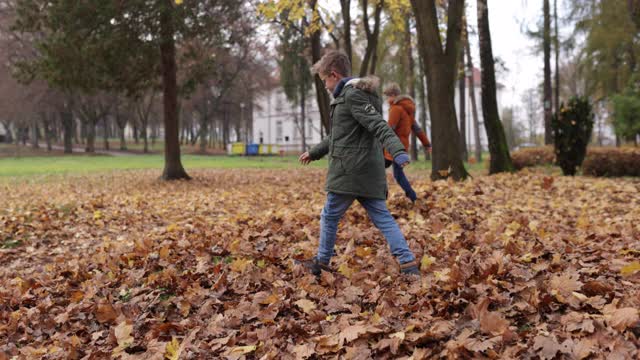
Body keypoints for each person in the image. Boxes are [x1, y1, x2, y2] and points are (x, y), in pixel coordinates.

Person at [298, 50, 420, 277]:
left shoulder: (352, 96)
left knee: (329, 215)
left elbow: (379, 125)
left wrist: (398, 151)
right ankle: (408, 263)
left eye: (325, 80)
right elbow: (338, 136)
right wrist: (314, 153)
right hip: (368, 171)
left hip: (349, 171)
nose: (325, 86)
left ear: (334, 75)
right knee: (383, 218)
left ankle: (322, 263)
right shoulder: (360, 97)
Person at [382, 83, 432, 203]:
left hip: (392, 147)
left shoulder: (396, 109)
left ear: (393, 95)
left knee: (376, 168)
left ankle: (381, 196)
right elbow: (417, 129)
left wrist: (380, 142)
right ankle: (413, 197)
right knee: (398, 174)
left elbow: (390, 129)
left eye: (388, 96)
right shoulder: (407, 110)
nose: (387, 99)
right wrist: (427, 144)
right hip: (402, 147)